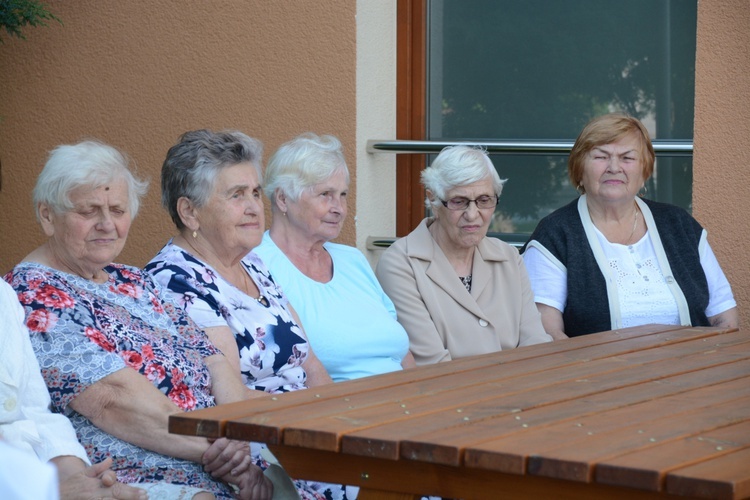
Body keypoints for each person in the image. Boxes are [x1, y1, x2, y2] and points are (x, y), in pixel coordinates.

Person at [5, 140, 272, 500]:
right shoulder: (34, 293)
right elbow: (112, 400)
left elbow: (213, 360)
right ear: (47, 216)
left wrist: (236, 443)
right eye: (88, 211)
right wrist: (219, 451)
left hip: (214, 456)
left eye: (117, 210)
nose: (106, 224)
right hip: (140, 468)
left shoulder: (134, 280)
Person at [145, 129, 352, 500]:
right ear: (189, 211)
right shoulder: (174, 279)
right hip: (260, 447)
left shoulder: (253, 264)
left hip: (308, 429)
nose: (255, 206)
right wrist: (313, 422)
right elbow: (229, 397)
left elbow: (310, 362)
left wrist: (344, 421)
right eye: (237, 195)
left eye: (256, 192)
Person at [523, 113, 739, 338]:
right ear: (580, 169)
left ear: (644, 171)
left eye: (627, 158)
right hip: (597, 371)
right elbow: (547, 331)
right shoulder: (555, 234)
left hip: (691, 368)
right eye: (601, 157)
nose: (614, 167)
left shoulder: (679, 224)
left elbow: (722, 314)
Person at [253, 133, 416, 382]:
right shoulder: (256, 265)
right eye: (325, 194)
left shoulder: (353, 260)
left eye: (343, 195)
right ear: (283, 199)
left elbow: (403, 355)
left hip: (401, 401)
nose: (339, 208)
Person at [375, 146, 552, 366]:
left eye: (484, 200)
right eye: (459, 201)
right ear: (434, 201)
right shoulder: (400, 264)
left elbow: (536, 344)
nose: (472, 214)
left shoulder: (509, 258)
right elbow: (430, 364)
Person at [0, 278, 146, 500]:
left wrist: (78, 480)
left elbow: (33, 411)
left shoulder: (3, 292)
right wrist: (48, 493)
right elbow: (109, 401)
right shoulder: (35, 289)